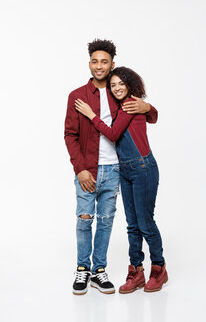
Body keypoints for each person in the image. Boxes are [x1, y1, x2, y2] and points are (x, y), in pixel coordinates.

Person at [64, 40, 158, 295]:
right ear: (89, 64)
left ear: (112, 64)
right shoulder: (77, 96)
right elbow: (69, 135)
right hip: (88, 169)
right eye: (95, 61)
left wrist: (148, 107)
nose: (99, 66)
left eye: (104, 61)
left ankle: (99, 271)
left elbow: (148, 115)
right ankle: (82, 270)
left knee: (106, 222)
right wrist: (80, 168)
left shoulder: (120, 94)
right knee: (85, 220)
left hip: (116, 169)